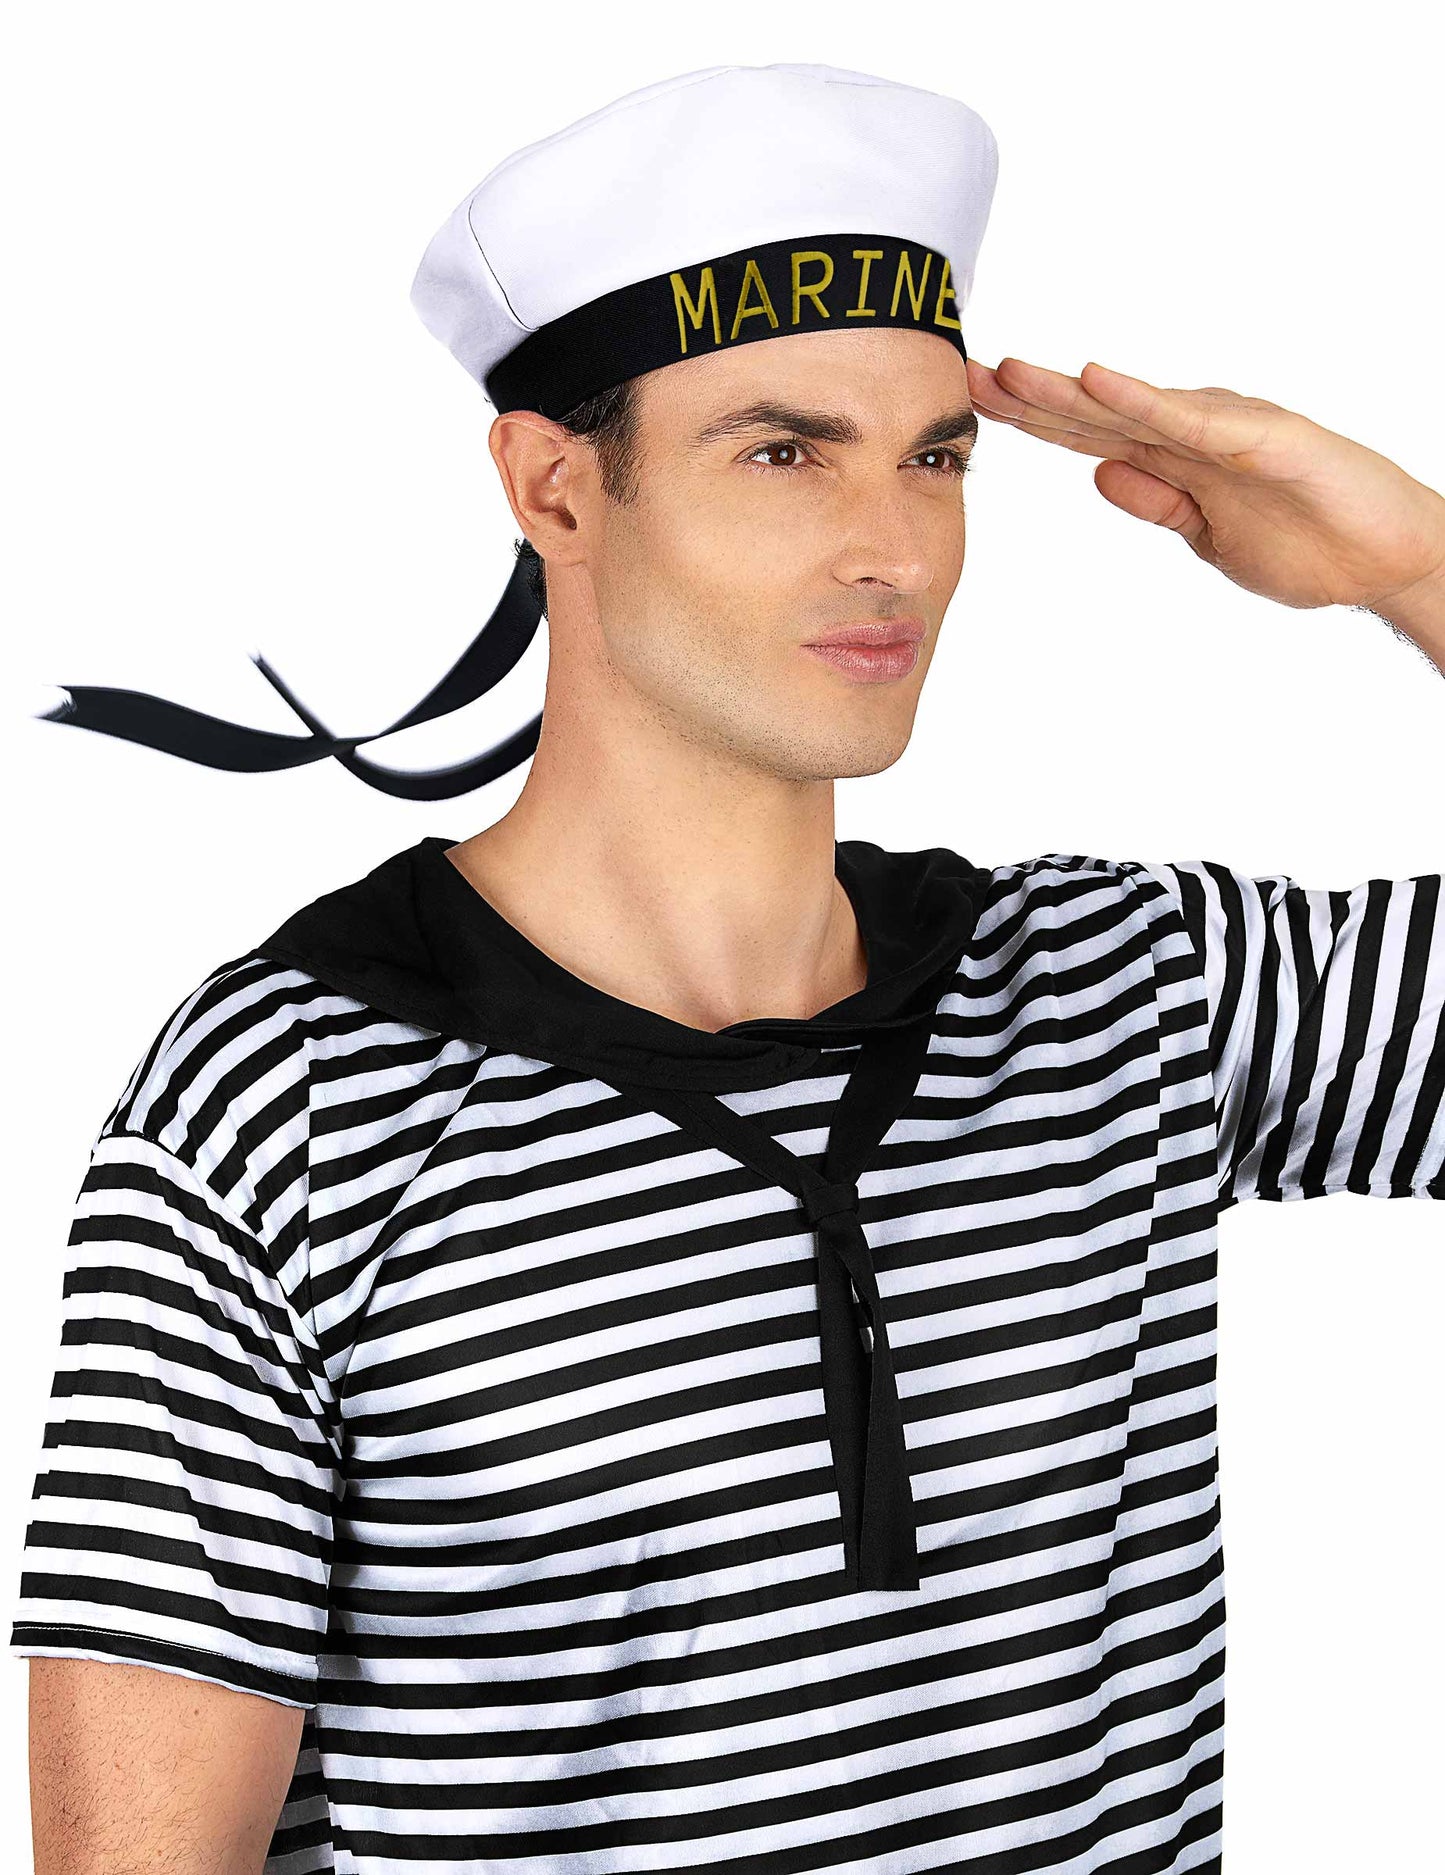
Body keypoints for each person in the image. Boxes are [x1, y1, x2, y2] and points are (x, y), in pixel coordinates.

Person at [11, 60, 1443, 1875]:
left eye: (934, 458)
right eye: (782, 452)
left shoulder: (1126, 987)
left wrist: (1413, 562)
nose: (891, 549)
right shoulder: (286, 1107)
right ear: (554, 488)